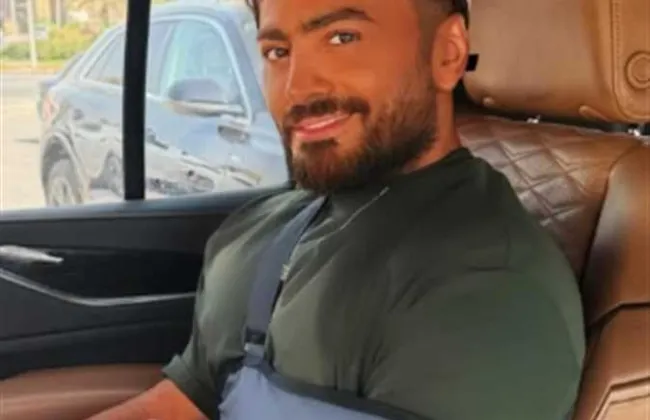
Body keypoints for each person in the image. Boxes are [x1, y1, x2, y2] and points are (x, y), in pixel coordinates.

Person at [90, 0, 586, 419]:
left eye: (342, 38)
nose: (296, 89)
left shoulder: (490, 289)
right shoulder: (259, 228)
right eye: (278, 52)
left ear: (447, 53)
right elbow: (182, 404)